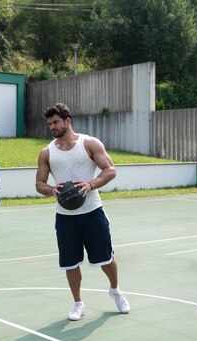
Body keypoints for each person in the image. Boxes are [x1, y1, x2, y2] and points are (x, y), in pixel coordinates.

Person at [35, 103, 130, 321]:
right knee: (70, 262)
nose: (52, 127)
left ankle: (115, 290)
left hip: (92, 211)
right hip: (65, 217)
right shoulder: (46, 152)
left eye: (56, 122)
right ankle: (78, 303)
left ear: (67, 121)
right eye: (50, 124)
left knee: (106, 259)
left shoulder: (89, 143)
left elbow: (110, 170)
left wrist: (90, 184)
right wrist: (51, 190)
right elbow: (39, 184)